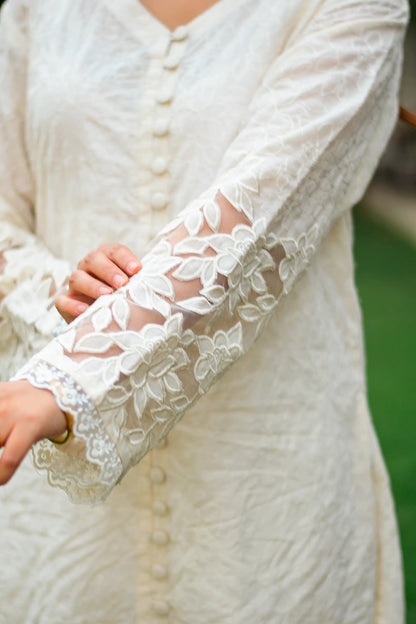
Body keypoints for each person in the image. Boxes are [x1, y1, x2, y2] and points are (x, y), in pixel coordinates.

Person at [0, 0, 409, 622]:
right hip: (57, 499)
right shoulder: (33, 9)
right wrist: (64, 291)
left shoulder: (353, 6)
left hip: (263, 481)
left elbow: (263, 210)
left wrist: (70, 378)